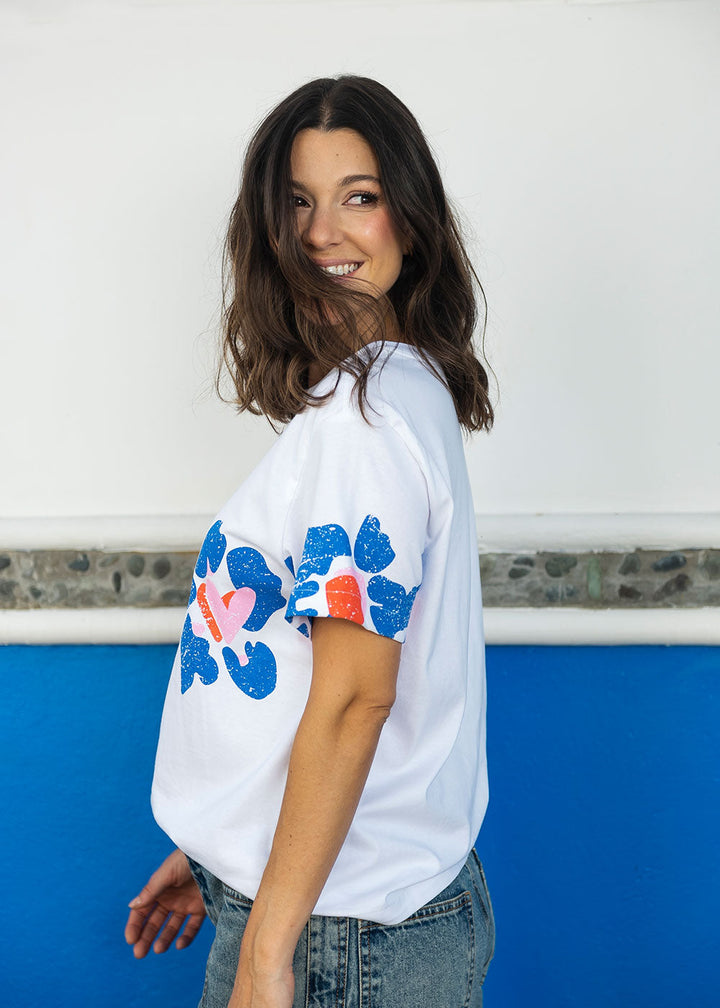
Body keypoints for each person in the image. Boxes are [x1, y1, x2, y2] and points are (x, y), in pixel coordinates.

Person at [124, 74, 495, 1008]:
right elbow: (312, 671)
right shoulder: (400, 387)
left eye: (358, 197)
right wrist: (223, 847)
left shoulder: (363, 417)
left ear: (411, 218)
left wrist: (267, 948)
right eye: (298, 202)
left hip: (336, 934)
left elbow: (357, 698)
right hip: (339, 903)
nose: (322, 232)